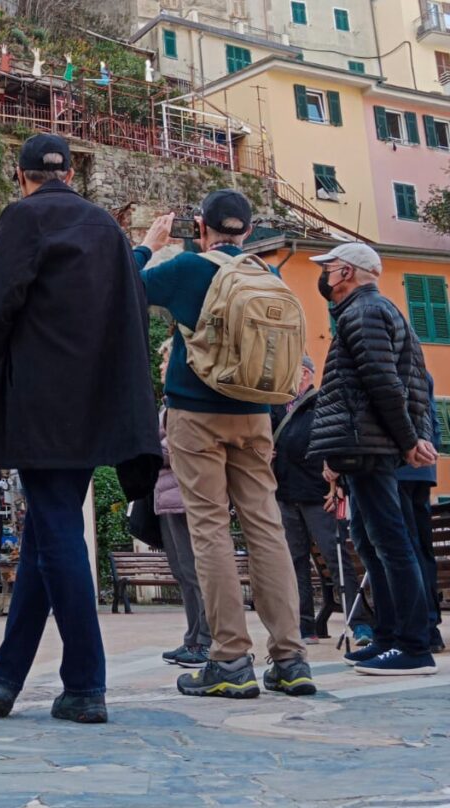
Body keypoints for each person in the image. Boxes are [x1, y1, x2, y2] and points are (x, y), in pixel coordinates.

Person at [0, 134, 162, 724]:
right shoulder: (107, 228)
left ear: (21, 176)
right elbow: (133, 310)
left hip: (41, 401)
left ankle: (86, 682)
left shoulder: (24, 216)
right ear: (69, 173)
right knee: (49, 533)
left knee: (58, 533)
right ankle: (3, 677)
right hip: (96, 401)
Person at [138, 191, 315, 699]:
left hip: (196, 414)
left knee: (210, 529)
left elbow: (124, 289)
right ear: (249, 229)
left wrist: (149, 247)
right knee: (267, 528)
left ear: (201, 225)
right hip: (256, 416)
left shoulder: (188, 269)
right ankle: (291, 658)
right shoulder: (268, 276)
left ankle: (230, 659)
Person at [308, 242, 438, 675]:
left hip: (370, 445)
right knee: (370, 539)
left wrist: (407, 441)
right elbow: (412, 378)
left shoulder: (364, 314)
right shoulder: (375, 311)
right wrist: (411, 435)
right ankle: (387, 637)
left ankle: (413, 646)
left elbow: (384, 381)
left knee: (391, 542)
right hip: (367, 445)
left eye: (327, 269)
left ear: (345, 272)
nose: (323, 277)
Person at [272, 355, 371, 647]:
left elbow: (334, 443)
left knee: (335, 556)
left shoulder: (321, 403)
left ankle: (360, 622)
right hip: (285, 493)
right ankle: (305, 625)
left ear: (303, 373)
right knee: (295, 560)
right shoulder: (276, 407)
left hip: (319, 494)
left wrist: (337, 484)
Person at [154, 340, 211, 668]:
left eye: (165, 361)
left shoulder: (183, 403)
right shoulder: (168, 403)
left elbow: (181, 450)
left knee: (194, 572)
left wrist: (151, 449)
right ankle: (193, 637)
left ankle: (205, 640)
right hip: (169, 498)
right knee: (183, 572)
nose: (162, 367)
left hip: (184, 498)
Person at [395, 373, 443, 653]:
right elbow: (433, 420)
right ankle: (430, 626)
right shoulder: (423, 373)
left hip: (399, 467)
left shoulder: (393, 367)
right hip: (423, 469)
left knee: (407, 548)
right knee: (423, 550)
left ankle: (419, 628)